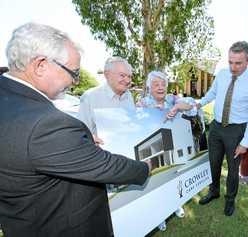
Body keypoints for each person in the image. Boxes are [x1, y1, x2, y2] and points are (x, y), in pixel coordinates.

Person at [0, 22, 151, 237]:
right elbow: (105, 165)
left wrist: (79, 142)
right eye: (73, 72)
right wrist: (143, 168)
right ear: (41, 65)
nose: (74, 81)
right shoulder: (44, 124)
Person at [197, 41, 248, 216]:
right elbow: (212, 93)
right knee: (213, 162)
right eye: (230, 62)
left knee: (233, 170)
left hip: (236, 131)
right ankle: (214, 191)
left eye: (238, 63)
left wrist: (245, 142)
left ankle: (230, 200)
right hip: (216, 127)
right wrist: (199, 104)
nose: (233, 67)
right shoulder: (222, 74)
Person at [136, 70, 197, 231]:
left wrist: (177, 106)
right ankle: (160, 216)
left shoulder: (172, 99)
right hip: (155, 148)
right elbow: (137, 126)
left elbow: (192, 109)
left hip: (174, 144)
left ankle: (176, 205)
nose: (161, 87)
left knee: (176, 178)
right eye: (156, 84)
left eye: (163, 84)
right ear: (149, 87)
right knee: (158, 183)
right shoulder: (143, 103)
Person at [78, 56, 134, 143]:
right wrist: (91, 138)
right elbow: (80, 132)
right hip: (100, 153)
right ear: (107, 75)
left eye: (129, 76)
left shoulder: (129, 96)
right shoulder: (90, 97)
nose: (127, 80)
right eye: (122, 75)